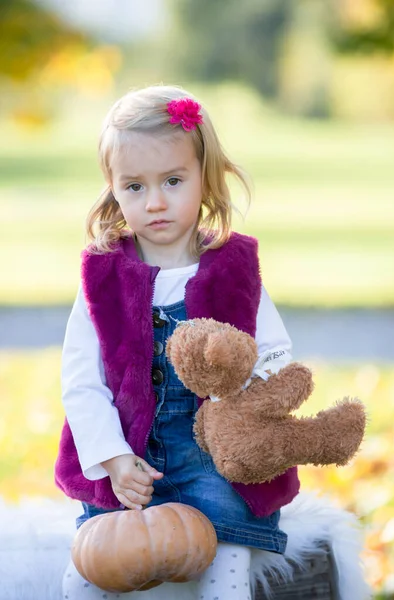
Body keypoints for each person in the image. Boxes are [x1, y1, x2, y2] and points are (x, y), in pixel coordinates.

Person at [56, 85, 298, 600]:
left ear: (204, 178)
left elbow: (274, 356)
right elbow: (81, 381)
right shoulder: (103, 276)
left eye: (172, 180)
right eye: (135, 187)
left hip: (215, 462)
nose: (156, 202)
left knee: (226, 560)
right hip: (128, 462)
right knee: (88, 569)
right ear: (113, 189)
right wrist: (114, 459)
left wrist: (243, 391)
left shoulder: (233, 269)